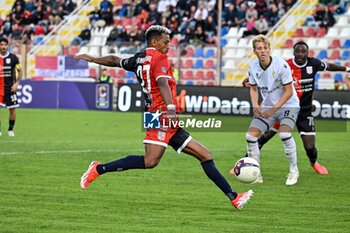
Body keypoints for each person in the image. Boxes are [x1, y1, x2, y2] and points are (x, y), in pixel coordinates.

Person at [75, 25, 253, 209]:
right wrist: (170, 108)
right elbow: (162, 82)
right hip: (159, 116)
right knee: (150, 161)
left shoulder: (139, 58)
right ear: (154, 41)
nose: (169, 46)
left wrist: (92, 58)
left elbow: (114, 60)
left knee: (205, 155)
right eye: (166, 42)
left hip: (161, 117)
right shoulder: (160, 59)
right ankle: (98, 169)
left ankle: (234, 197)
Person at [247, 41, 350, 174]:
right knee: (261, 137)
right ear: (293, 52)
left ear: (308, 53)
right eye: (298, 51)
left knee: (310, 147)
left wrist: (347, 69)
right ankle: (247, 163)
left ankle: (314, 163)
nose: (300, 54)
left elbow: (329, 66)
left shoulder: (314, 64)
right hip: (284, 109)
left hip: (304, 112)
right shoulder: (286, 65)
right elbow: (262, 75)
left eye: (303, 51)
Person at [230, 35, 301, 186]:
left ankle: (294, 170)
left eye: (265, 48)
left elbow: (289, 91)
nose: (262, 51)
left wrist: (274, 109)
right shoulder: (253, 66)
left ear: (269, 49)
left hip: (289, 105)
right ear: (254, 51)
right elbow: (253, 88)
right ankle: (256, 173)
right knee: (250, 136)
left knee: (285, 134)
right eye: (259, 49)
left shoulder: (280, 65)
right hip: (268, 106)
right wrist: (255, 105)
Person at [0, 37, 22, 137]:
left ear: (7, 46)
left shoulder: (13, 58)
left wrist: (17, 83)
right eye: (1, 45)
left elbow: (20, 71)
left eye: (5, 45)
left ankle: (10, 130)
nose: (3, 47)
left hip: (10, 88)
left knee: (12, 109)